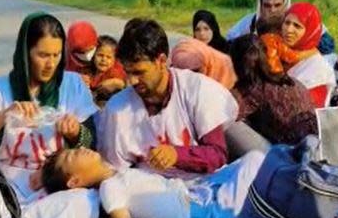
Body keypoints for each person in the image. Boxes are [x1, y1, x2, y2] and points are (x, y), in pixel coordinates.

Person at [0, 12, 101, 218]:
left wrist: (75, 132)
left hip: (55, 190)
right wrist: (3, 116)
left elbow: (92, 142)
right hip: (6, 191)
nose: (50, 63)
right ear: (25, 52)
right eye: (43, 55)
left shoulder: (72, 86)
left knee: (85, 201)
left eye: (56, 55)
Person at [42, 147, 265, 218]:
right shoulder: (110, 189)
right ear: (74, 182)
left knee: (255, 158)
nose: (80, 148)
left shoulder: (118, 173)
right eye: (72, 156)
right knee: (258, 163)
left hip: (200, 192)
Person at [98, 18, 237, 177]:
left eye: (139, 72)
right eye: (127, 72)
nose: (131, 81)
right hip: (148, 191)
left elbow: (217, 154)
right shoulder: (117, 109)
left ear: (162, 61)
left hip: (202, 184)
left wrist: (177, 155)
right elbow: (115, 172)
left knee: (253, 162)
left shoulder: (196, 89)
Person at [230, 35, 318, 145]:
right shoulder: (289, 79)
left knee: (225, 125)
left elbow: (224, 115)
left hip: (290, 152)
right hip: (316, 139)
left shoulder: (252, 90)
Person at [226, 0, 336, 55]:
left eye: (277, 5)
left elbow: (328, 46)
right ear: (260, 4)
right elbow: (229, 44)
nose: (272, 10)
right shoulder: (250, 22)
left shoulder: (299, 17)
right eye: (267, 5)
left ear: (285, 3)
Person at [280, 3, 336, 108]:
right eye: (287, 23)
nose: (289, 30)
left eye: (297, 26)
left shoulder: (318, 70)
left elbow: (309, 111)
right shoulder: (277, 54)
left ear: (310, 31)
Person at [170, 37, 237, 90]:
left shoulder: (229, 72)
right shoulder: (172, 79)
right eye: (180, 71)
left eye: (195, 71)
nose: (188, 77)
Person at [89, 35, 127, 105]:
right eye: (100, 55)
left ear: (114, 60)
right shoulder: (90, 72)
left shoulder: (114, 74)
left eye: (108, 57)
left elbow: (127, 85)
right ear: (93, 55)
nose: (104, 60)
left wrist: (118, 83)